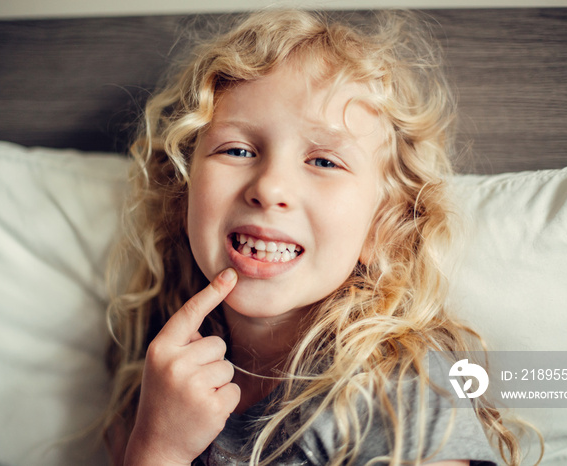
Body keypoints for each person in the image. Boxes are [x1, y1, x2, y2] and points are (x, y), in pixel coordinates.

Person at [101, 9, 532, 465]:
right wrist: (156, 444)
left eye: (324, 161)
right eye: (237, 149)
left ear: (383, 227)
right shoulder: (160, 370)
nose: (269, 188)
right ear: (183, 193)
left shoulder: (399, 392)